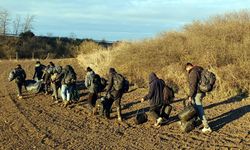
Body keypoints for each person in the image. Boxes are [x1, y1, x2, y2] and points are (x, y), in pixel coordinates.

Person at [185, 62, 212, 133]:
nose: (187, 71)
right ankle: (196, 123)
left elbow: (192, 85)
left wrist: (190, 96)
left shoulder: (193, 72)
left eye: (186, 70)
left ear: (188, 67)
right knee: (196, 108)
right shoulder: (199, 69)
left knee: (199, 108)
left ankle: (207, 127)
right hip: (202, 91)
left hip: (197, 93)